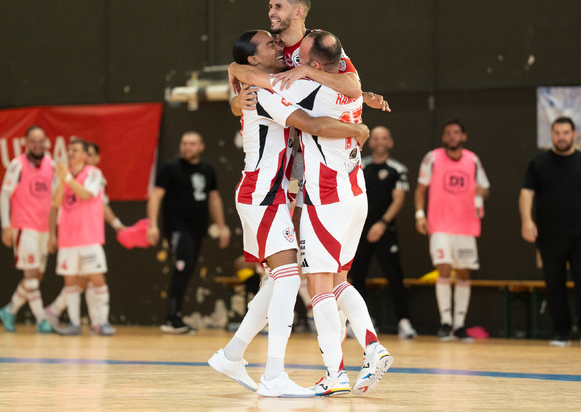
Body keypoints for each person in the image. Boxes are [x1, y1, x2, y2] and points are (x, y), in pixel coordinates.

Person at [209, 30, 370, 398]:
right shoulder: (263, 92)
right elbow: (313, 124)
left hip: (274, 194)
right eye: (269, 44)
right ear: (254, 59)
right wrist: (357, 128)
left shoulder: (261, 84)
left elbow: (341, 86)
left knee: (277, 279)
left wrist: (367, 98)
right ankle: (274, 374)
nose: (278, 46)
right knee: (286, 277)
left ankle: (232, 354)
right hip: (261, 193)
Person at [519, 116, 581, 347]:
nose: (562, 137)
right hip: (549, 235)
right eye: (557, 133)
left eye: (566, 133)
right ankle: (560, 330)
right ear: (552, 135)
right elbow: (526, 194)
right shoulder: (538, 163)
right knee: (554, 282)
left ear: (574, 135)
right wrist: (526, 221)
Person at [231, 0, 390, 115]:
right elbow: (244, 102)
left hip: (322, 135)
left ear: (298, 12)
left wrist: (307, 71)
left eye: (278, 7)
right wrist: (235, 91)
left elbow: (352, 88)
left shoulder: (319, 41)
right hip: (291, 140)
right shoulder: (271, 50)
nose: (271, 12)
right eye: (271, 7)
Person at [147, 131, 230, 334]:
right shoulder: (171, 168)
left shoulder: (207, 170)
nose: (187, 147)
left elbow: (214, 198)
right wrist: (152, 225)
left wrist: (222, 226)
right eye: (184, 143)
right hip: (177, 228)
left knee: (188, 269)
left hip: (197, 229)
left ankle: (175, 317)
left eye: (192, 144)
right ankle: (172, 319)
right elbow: (156, 196)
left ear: (201, 146)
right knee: (181, 269)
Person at [415, 119, 490, 341]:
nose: (452, 136)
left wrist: (480, 192)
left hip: (466, 226)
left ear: (463, 136)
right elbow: (420, 190)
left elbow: (485, 189)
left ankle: (459, 324)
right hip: (440, 226)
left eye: (456, 132)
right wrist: (420, 215)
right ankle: (446, 322)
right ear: (443, 137)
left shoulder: (473, 160)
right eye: (448, 133)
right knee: (444, 269)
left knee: (464, 272)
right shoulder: (433, 158)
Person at [44, 141, 125, 333]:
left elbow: (87, 194)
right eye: (69, 150)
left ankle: (102, 322)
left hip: (89, 237)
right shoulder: (63, 175)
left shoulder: (93, 173)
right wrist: (52, 235)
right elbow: (55, 204)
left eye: (75, 150)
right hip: (67, 237)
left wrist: (68, 179)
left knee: (97, 279)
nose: (71, 153)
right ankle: (74, 323)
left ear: (84, 156)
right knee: (70, 281)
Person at [349, 126, 417, 339]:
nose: (379, 142)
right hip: (360, 230)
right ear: (371, 142)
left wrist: (382, 224)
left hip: (386, 230)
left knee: (394, 275)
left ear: (390, 142)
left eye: (384, 138)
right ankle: (361, 324)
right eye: (376, 138)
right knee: (357, 275)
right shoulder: (360, 166)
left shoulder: (398, 169)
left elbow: (398, 200)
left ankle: (404, 322)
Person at [0, 125, 54, 333]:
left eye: (41, 141)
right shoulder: (17, 165)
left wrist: (54, 231)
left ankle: (9, 310)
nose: (37, 145)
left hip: (44, 229)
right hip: (23, 226)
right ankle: (42, 320)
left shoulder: (52, 165)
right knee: (30, 273)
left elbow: (55, 200)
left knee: (36, 276)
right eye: (33, 141)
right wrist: (6, 226)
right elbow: (4, 195)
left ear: (46, 142)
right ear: (26, 143)